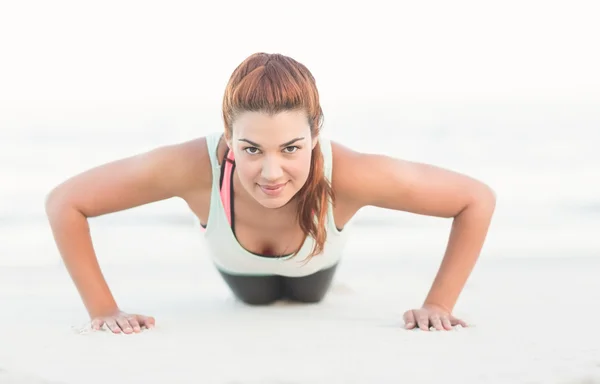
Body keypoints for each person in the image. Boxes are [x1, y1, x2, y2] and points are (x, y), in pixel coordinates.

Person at [45, 52, 496, 335]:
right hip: (240, 279)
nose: (271, 172)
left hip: (316, 273)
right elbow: (66, 201)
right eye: (251, 149)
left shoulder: (353, 175)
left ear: (315, 132)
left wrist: (438, 303)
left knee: (309, 297)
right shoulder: (192, 168)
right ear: (228, 134)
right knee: (257, 299)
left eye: (291, 148)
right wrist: (103, 309)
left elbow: (475, 199)